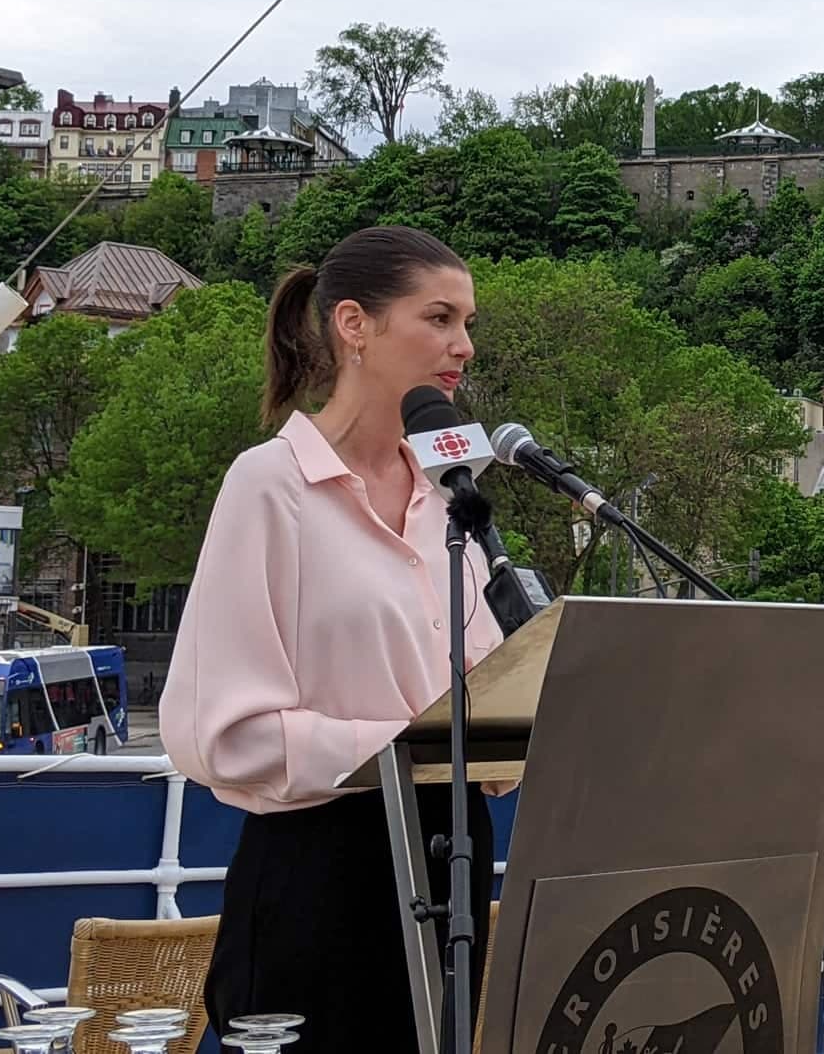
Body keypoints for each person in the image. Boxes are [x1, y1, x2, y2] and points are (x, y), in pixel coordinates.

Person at [161, 226, 505, 1051]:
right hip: (322, 869)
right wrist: (413, 745)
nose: (463, 346)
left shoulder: (450, 495)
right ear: (355, 325)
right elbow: (228, 734)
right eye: (439, 318)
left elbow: (492, 686)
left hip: (453, 856)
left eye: (468, 323)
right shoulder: (268, 486)